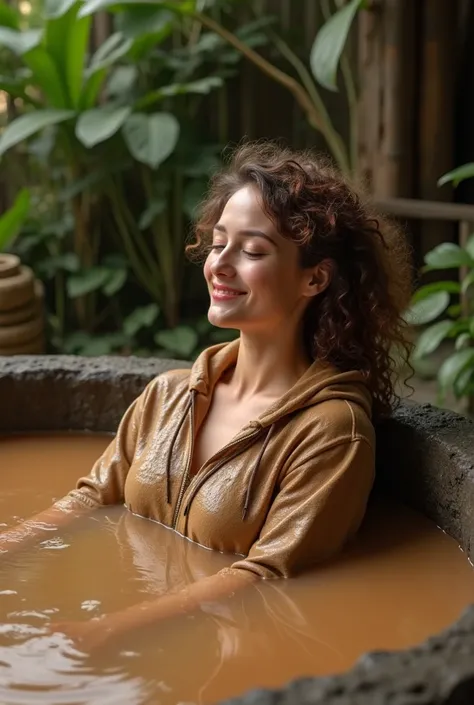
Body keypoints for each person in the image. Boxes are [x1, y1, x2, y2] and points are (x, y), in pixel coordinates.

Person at [0, 141, 412, 650]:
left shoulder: (333, 432)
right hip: (135, 628)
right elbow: (93, 496)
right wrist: (9, 546)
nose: (219, 265)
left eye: (253, 251)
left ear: (315, 278)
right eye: (218, 244)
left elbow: (266, 576)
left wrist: (113, 630)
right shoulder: (169, 394)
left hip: (229, 654)